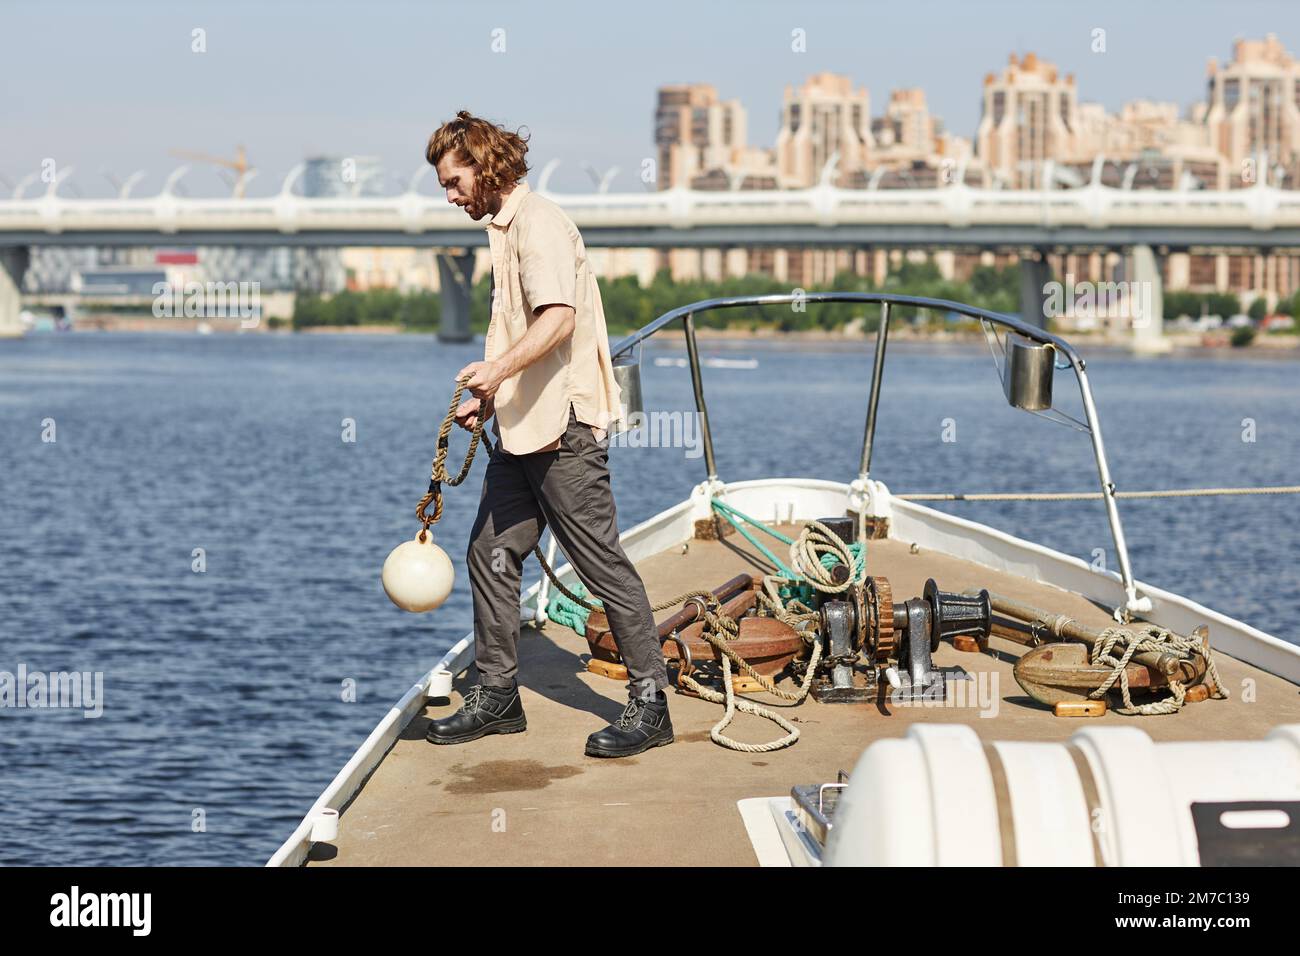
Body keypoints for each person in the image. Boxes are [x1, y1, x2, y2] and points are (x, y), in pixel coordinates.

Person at [422, 111, 673, 758]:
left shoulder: (539, 226)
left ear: (485, 167)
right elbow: (521, 330)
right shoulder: (505, 230)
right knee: (492, 552)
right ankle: (499, 696)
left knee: (601, 564)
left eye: (454, 182)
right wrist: (492, 397)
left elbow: (558, 320)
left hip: (563, 430)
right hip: (520, 427)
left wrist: (495, 373)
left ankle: (651, 704)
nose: (448, 197)